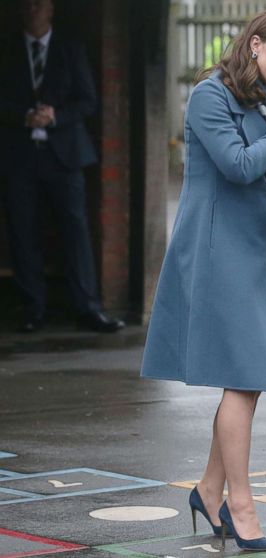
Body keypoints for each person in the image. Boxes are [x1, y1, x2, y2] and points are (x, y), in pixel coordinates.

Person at [140, 10, 266, 551]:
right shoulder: (211, 96)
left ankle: (210, 490)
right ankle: (240, 504)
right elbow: (237, 166)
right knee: (242, 374)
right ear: (255, 45)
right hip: (216, 247)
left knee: (248, 376)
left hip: (253, 245)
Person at [0, 0, 124, 333]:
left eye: (39, 4)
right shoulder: (8, 49)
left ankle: (88, 307)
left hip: (65, 155)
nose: (32, 9)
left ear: (51, 9)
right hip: (19, 156)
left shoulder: (70, 48)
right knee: (22, 231)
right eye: (26, 5)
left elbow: (88, 100)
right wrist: (24, 116)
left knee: (76, 230)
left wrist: (55, 116)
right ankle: (32, 308)